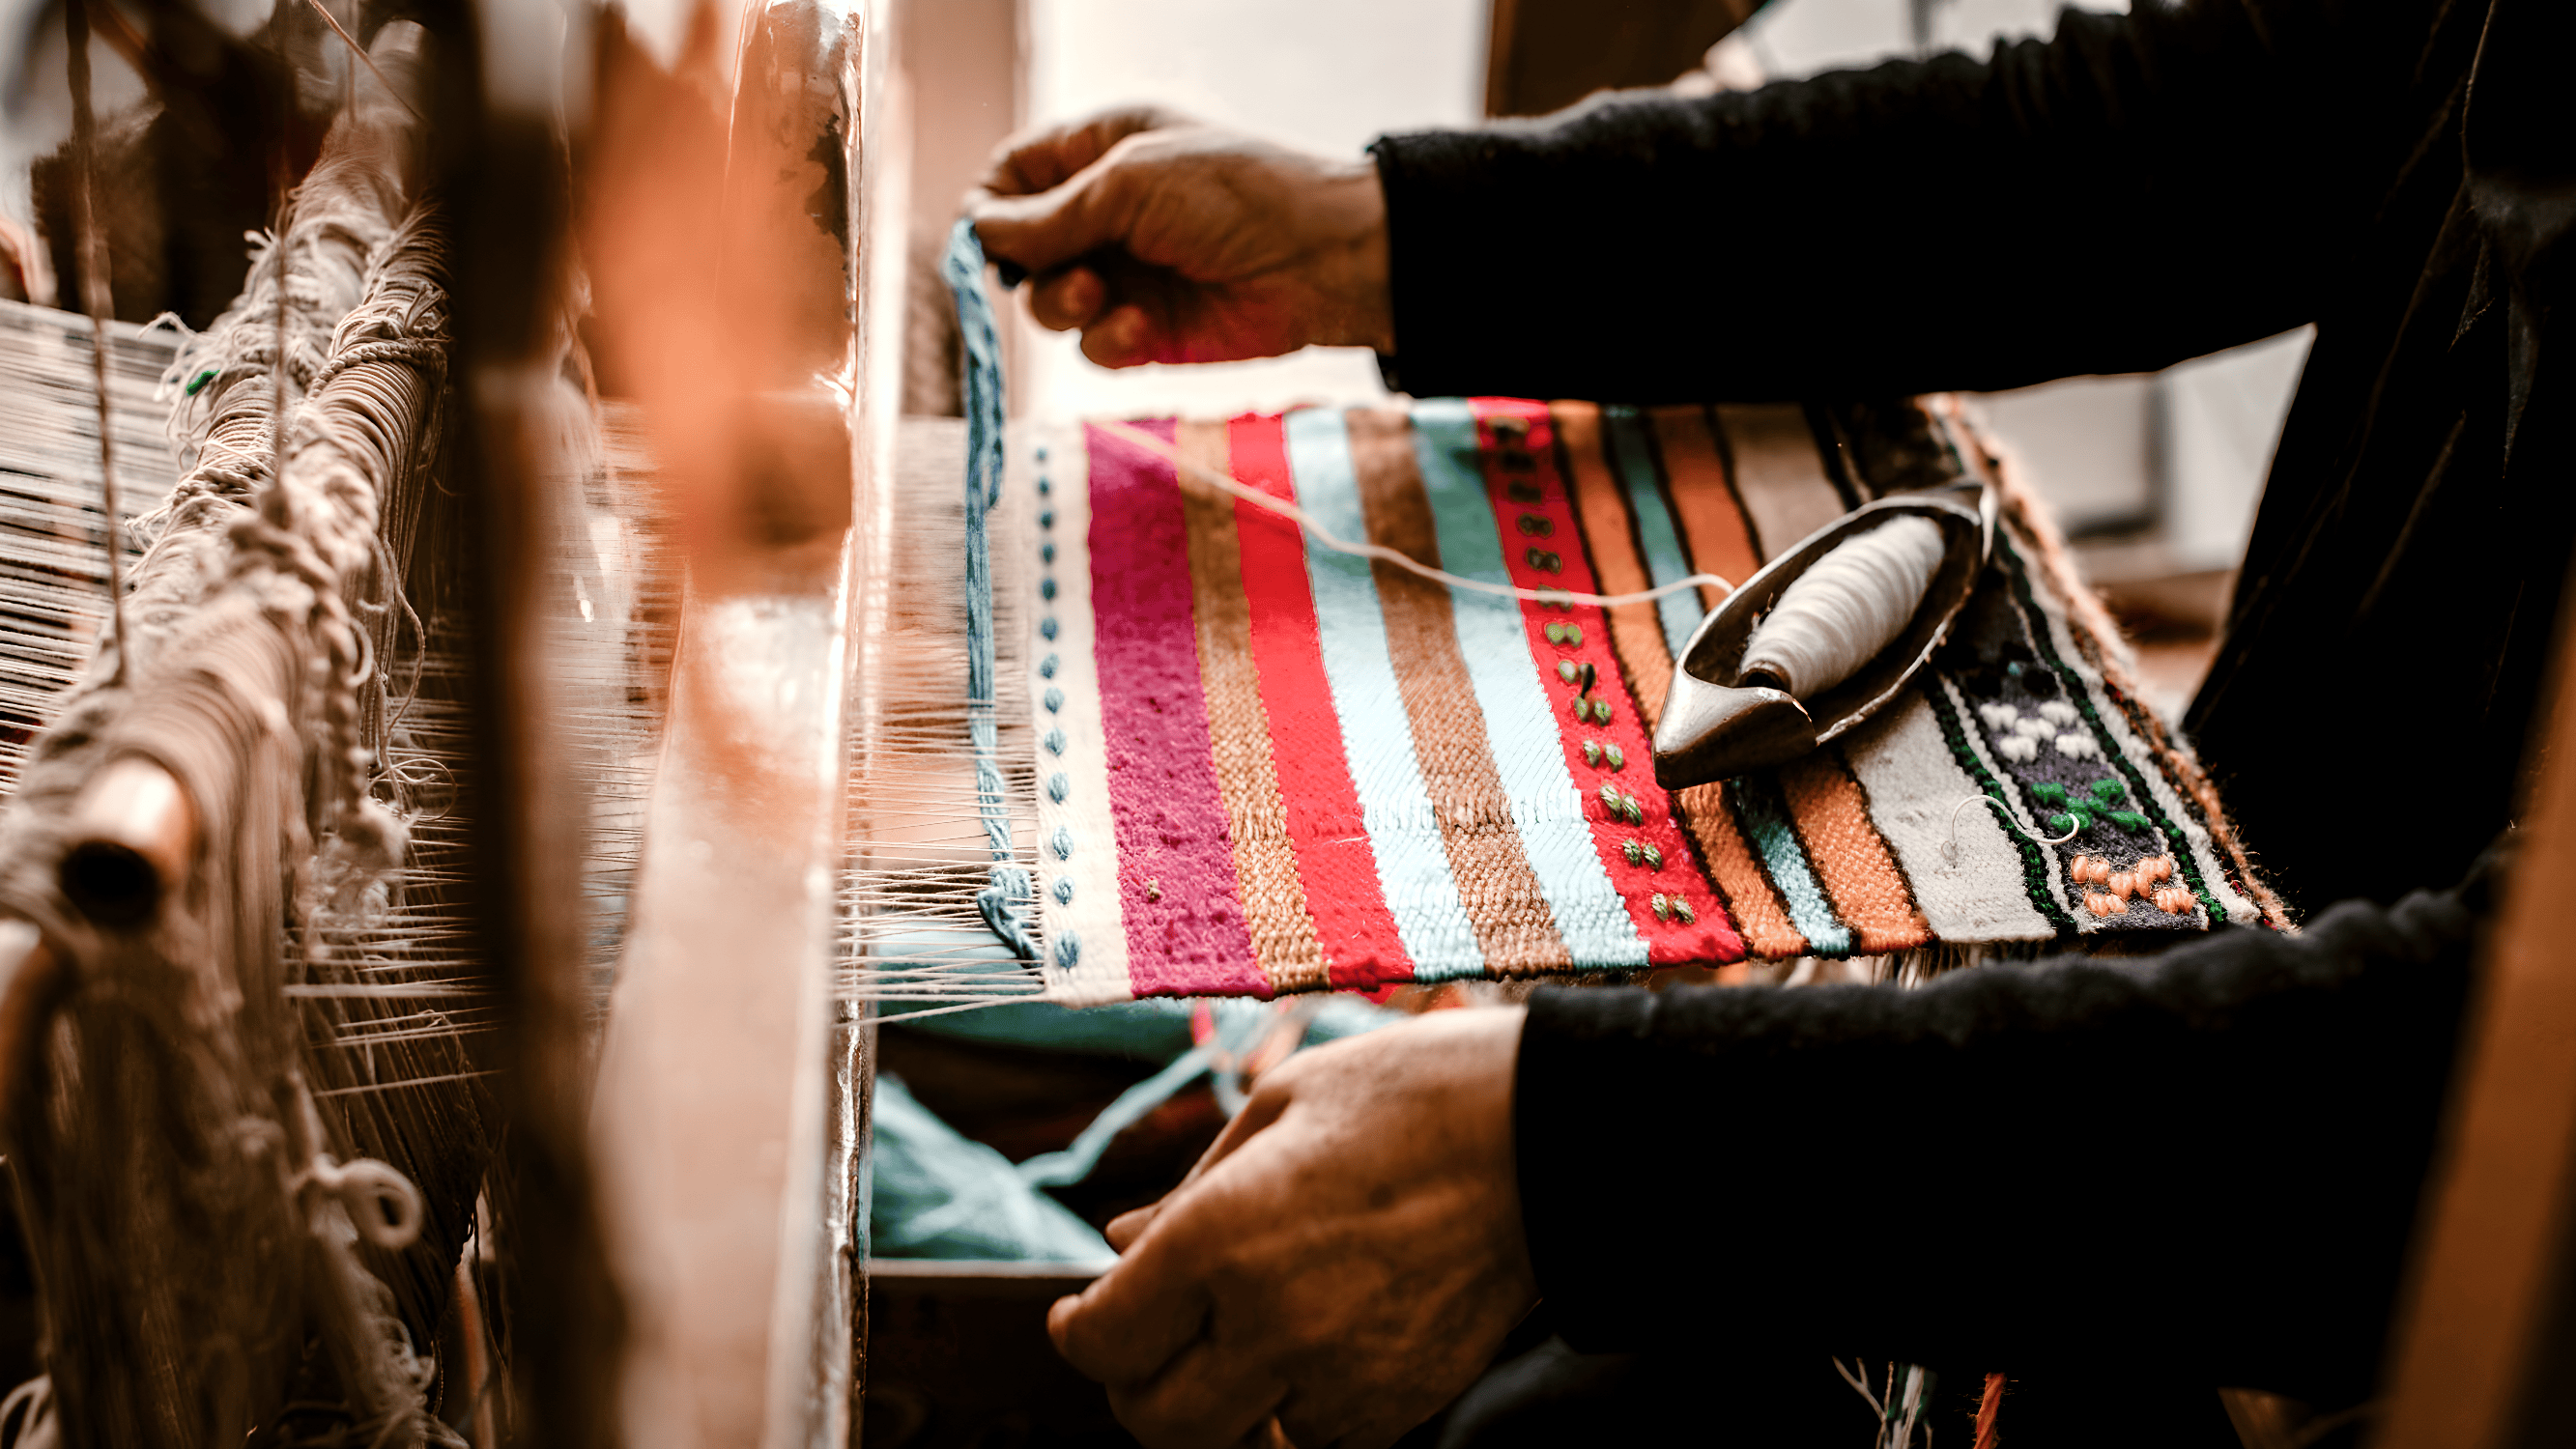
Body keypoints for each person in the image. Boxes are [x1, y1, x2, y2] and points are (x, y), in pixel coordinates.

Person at [965, 0, 2569, 1443]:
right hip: (2197, 1057)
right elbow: (2182, 131)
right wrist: (1386, 228)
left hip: (2308, 1250)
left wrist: (1567, 1162)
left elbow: (2483, 1084)